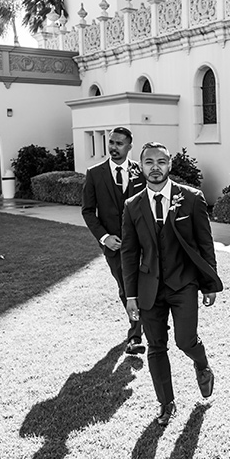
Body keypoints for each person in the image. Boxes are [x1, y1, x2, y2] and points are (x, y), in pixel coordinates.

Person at [121, 142, 223, 426]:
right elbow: (129, 254)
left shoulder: (191, 199)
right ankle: (166, 404)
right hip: (148, 288)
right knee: (156, 346)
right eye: (149, 162)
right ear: (141, 167)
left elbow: (205, 243)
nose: (155, 167)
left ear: (170, 165)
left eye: (161, 161)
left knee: (185, 340)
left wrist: (210, 283)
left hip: (184, 284)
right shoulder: (132, 206)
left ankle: (201, 364)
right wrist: (131, 296)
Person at [82, 127, 148, 356]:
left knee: (146, 285)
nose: (113, 147)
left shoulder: (141, 173)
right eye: (111, 142)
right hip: (115, 246)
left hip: (143, 244)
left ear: (130, 146)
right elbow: (88, 211)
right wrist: (104, 237)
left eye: (120, 144)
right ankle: (136, 333)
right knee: (126, 288)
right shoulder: (94, 173)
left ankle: (143, 327)